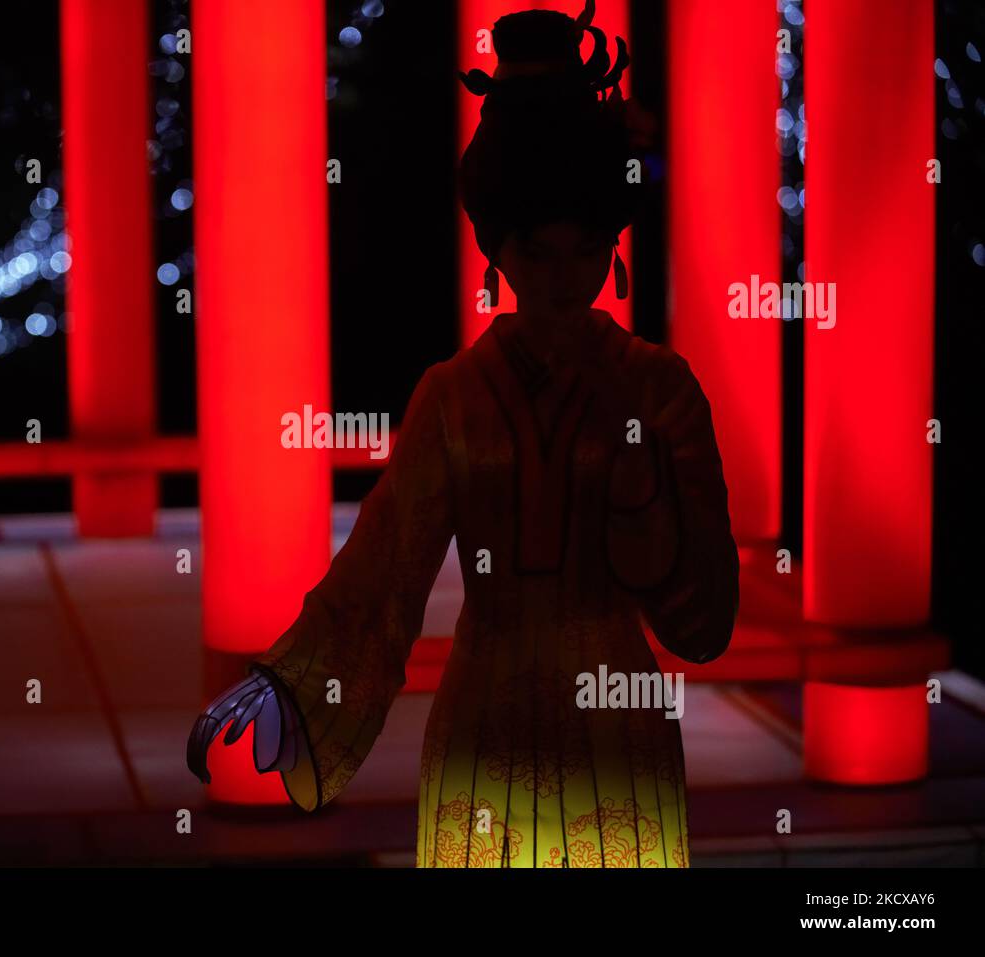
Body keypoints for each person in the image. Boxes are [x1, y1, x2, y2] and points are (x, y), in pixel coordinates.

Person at [186, 2, 738, 868]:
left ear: (611, 243)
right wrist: (293, 681)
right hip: (487, 724)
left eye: (584, 250)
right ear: (497, 247)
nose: (563, 278)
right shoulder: (453, 396)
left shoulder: (660, 389)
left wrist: (646, 516)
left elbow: (706, 617)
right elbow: (384, 568)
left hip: (618, 725)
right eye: (539, 252)